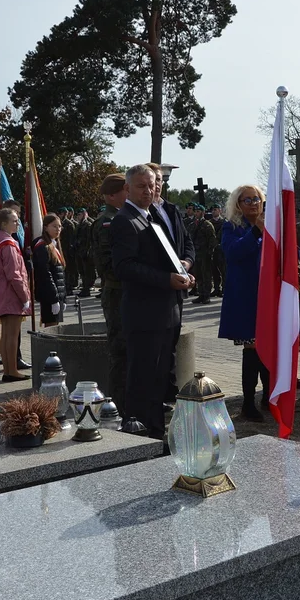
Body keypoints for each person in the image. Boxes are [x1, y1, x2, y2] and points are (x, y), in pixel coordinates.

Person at [111, 164, 195, 438]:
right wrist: (166, 279)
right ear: (127, 189)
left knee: (159, 380)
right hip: (145, 315)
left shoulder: (151, 217)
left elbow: (168, 258)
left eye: (151, 185)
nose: (148, 191)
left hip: (166, 311)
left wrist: (182, 274)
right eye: (140, 186)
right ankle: (139, 434)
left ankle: (157, 432)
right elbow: (124, 267)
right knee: (142, 379)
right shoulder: (125, 219)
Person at [218, 185, 271, 422]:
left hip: (269, 296)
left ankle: (269, 397)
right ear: (238, 204)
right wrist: (256, 232)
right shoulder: (232, 227)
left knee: (269, 348)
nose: (253, 203)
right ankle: (248, 403)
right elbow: (233, 252)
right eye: (246, 200)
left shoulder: (272, 225)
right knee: (252, 350)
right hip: (246, 299)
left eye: (256, 199)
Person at [148, 162, 195, 410]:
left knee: (173, 340)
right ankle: (161, 394)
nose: (157, 185)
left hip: (179, 281)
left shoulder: (172, 209)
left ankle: (171, 391)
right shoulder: (144, 214)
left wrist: (187, 262)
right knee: (160, 343)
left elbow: (187, 241)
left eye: (159, 180)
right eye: (153, 180)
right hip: (161, 287)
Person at [93, 174, 128, 416]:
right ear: (113, 195)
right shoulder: (107, 221)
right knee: (120, 351)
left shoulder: (119, 217)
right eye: (126, 190)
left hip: (126, 293)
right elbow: (107, 265)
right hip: (117, 294)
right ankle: (117, 405)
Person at [0, 208, 32, 382]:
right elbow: (14, 274)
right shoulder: (8, 244)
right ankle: (11, 370)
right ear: (4, 223)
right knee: (11, 335)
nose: (18, 223)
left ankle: (8, 368)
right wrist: (25, 297)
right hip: (10, 292)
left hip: (0, 289)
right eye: (14, 220)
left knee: (6, 334)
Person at [32, 214, 67, 328]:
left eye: (60, 226)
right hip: (50, 296)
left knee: (56, 326)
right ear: (46, 227)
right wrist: (54, 298)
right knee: (51, 327)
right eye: (54, 226)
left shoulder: (54, 244)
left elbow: (60, 275)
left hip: (57, 295)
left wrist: (63, 297)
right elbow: (45, 274)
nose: (58, 229)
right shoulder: (43, 246)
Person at [190, 205, 216, 304]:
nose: (196, 213)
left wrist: (210, 253)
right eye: (195, 211)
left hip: (205, 254)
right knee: (198, 274)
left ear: (203, 213)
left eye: (198, 211)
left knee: (206, 275)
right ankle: (200, 294)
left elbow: (212, 240)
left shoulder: (207, 225)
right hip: (196, 254)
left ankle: (206, 295)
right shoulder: (192, 225)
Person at [76, 207, 96, 297]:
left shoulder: (87, 225)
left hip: (85, 251)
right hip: (80, 250)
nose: (78, 216)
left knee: (87, 271)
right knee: (82, 270)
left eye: (80, 214)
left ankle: (86, 289)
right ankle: (85, 287)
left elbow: (89, 239)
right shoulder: (79, 225)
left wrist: (87, 251)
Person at [60, 207, 79, 296]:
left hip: (68, 251)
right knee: (65, 270)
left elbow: (71, 239)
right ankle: (66, 286)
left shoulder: (69, 224)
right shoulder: (61, 223)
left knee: (69, 270)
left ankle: (69, 287)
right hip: (62, 250)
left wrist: (71, 250)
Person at [209, 203, 227, 297]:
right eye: (212, 210)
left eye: (216, 209)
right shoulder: (209, 222)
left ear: (220, 211)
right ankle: (216, 289)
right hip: (212, 250)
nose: (214, 211)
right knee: (214, 270)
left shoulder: (224, 222)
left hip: (221, 250)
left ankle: (224, 288)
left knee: (223, 270)